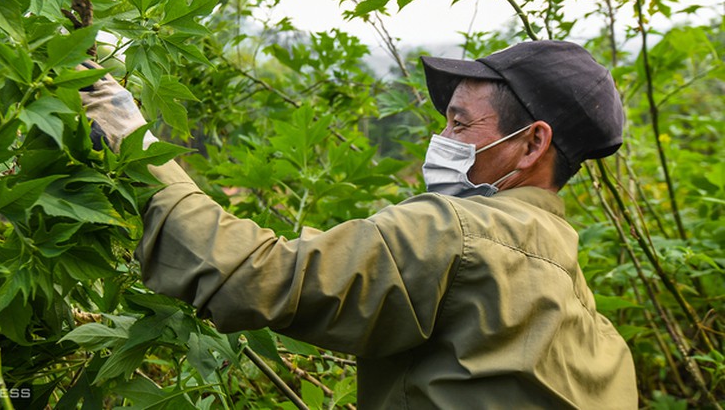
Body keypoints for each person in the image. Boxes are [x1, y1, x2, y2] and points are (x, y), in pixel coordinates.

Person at [79, 40, 638, 409]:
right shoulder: (597, 333)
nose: (439, 141)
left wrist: (135, 144)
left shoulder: (457, 233)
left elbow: (254, 276)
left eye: (459, 123)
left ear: (531, 144)